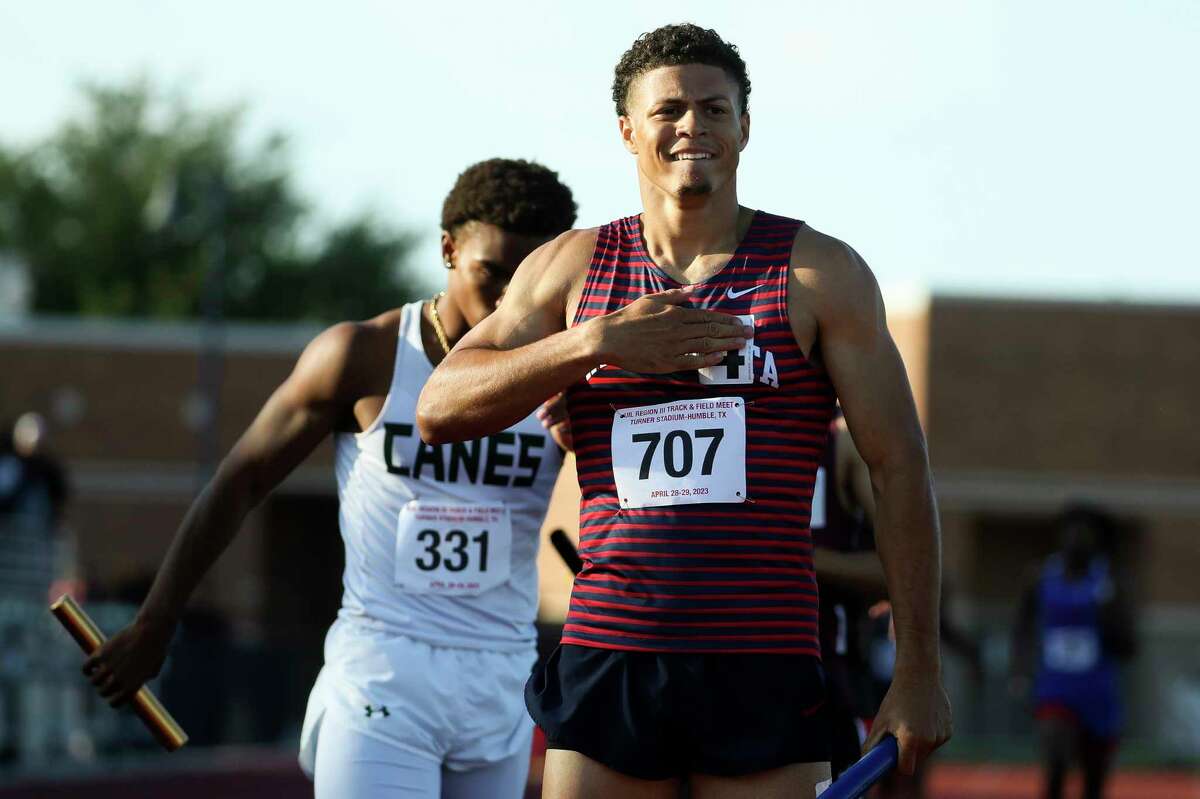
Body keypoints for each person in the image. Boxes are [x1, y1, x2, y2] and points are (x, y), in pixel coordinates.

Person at [417, 24, 951, 798]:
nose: (691, 125)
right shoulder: (573, 266)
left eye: (714, 108)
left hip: (763, 656)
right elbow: (439, 405)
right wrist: (595, 342)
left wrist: (919, 669)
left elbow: (899, 465)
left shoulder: (818, 271)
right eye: (668, 109)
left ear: (745, 126)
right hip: (611, 650)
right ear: (628, 130)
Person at [82, 158, 578, 798]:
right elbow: (241, 481)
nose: (509, 298)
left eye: (527, 278)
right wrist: (156, 623)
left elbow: (630, 515)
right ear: (449, 250)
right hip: (382, 670)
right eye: (491, 273)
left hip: (500, 680)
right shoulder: (364, 357)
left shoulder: (569, 377)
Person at [1011, 504, 1135, 799]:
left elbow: (1129, 646)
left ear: (1095, 540)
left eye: (1084, 532)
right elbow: (1022, 627)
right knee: (1056, 759)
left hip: (1098, 689)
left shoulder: (1109, 582)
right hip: (1056, 687)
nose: (1076, 538)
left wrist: (1108, 616)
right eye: (1070, 531)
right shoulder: (1040, 577)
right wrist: (1020, 670)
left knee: (1094, 781)